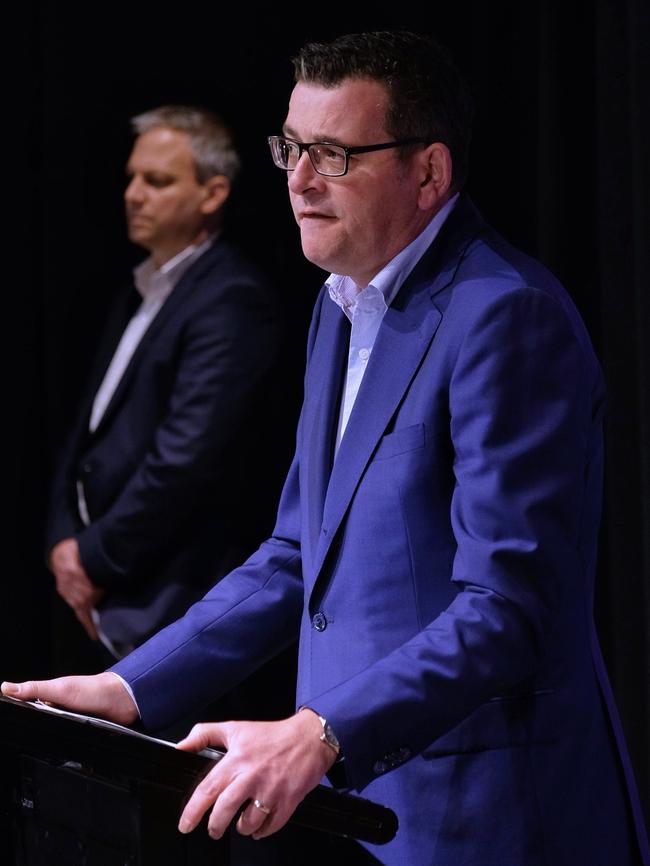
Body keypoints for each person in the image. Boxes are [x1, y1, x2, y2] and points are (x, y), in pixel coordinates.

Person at [4, 31, 649, 866]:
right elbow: (294, 556)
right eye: (292, 149)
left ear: (429, 173)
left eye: (335, 155)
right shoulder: (337, 307)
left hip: (488, 818)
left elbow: (508, 607)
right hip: (351, 817)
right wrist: (128, 690)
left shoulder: (506, 315)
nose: (300, 182)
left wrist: (321, 733)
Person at [43, 105, 283, 663]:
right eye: (131, 177)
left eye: (156, 181)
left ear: (213, 193)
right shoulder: (139, 287)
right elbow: (86, 432)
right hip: (106, 591)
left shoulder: (232, 299)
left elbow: (184, 460)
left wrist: (91, 558)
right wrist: (60, 541)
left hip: (172, 596)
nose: (132, 194)